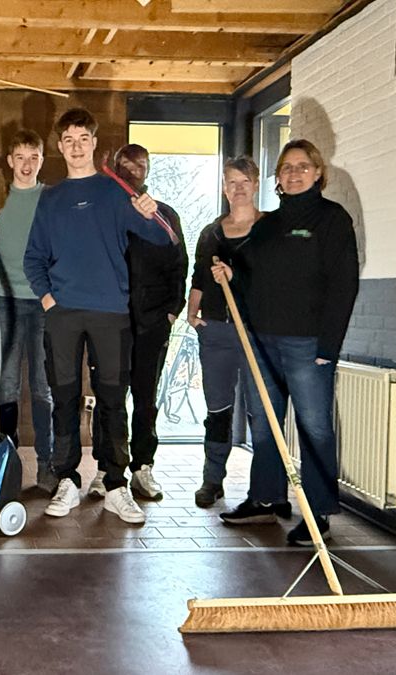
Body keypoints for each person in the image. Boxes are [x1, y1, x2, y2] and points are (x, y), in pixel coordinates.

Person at [23, 108, 175, 525]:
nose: (76, 147)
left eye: (83, 139)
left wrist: (149, 212)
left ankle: (114, 483)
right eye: (68, 140)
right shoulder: (51, 198)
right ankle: (68, 479)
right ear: (59, 146)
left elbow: (165, 238)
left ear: (94, 144)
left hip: (111, 313)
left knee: (112, 399)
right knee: (65, 398)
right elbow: (33, 258)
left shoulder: (114, 192)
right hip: (64, 315)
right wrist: (50, 301)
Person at [213, 139, 359, 546]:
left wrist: (327, 348)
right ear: (277, 177)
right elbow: (251, 279)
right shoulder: (269, 226)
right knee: (265, 425)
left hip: (307, 345)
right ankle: (265, 499)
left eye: (302, 166)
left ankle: (317, 515)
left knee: (314, 428)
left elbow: (344, 286)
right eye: (286, 168)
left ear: (317, 173)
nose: (293, 174)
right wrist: (230, 273)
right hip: (262, 342)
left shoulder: (332, 220)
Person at [89, 144, 188, 503]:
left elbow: (180, 264)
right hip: (110, 324)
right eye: (127, 165)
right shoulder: (103, 215)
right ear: (116, 169)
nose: (135, 170)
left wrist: (173, 310)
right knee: (108, 399)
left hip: (152, 324)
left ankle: (143, 467)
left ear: (148, 170)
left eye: (141, 165)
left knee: (145, 399)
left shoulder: (165, 214)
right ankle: (105, 468)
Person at [187, 156, 263, 508]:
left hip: (256, 332)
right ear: (224, 187)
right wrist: (192, 314)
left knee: (261, 411)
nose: (238, 188)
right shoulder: (211, 233)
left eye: (244, 181)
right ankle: (212, 479)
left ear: (256, 183)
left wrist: (238, 278)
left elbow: (277, 283)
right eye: (231, 182)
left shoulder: (269, 231)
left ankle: (264, 489)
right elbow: (199, 278)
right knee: (218, 409)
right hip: (216, 331)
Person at [0, 130, 54, 492]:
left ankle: (46, 466)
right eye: (20, 157)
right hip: (4, 299)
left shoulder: (51, 200)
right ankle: (8, 470)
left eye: (34, 157)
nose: (27, 165)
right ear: (10, 161)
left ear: (41, 160)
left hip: (42, 301)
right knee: (6, 384)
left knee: (43, 387)